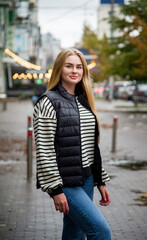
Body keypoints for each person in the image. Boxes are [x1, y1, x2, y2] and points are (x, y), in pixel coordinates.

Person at [33, 48, 111, 240]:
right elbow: (44, 150)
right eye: (69, 66)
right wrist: (55, 190)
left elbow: (92, 146)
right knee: (101, 231)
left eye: (78, 67)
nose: (74, 71)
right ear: (59, 69)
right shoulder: (48, 102)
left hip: (86, 179)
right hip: (65, 182)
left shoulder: (83, 100)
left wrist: (100, 180)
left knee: (75, 233)